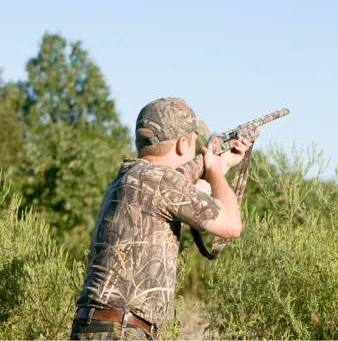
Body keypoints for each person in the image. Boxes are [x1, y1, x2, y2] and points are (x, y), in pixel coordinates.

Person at [70, 97, 252, 340]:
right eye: (196, 144)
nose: (197, 152)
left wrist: (224, 164)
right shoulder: (163, 181)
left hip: (93, 326)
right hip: (122, 330)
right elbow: (231, 225)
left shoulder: (127, 177)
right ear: (182, 143)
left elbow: (191, 198)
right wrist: (216, 171)